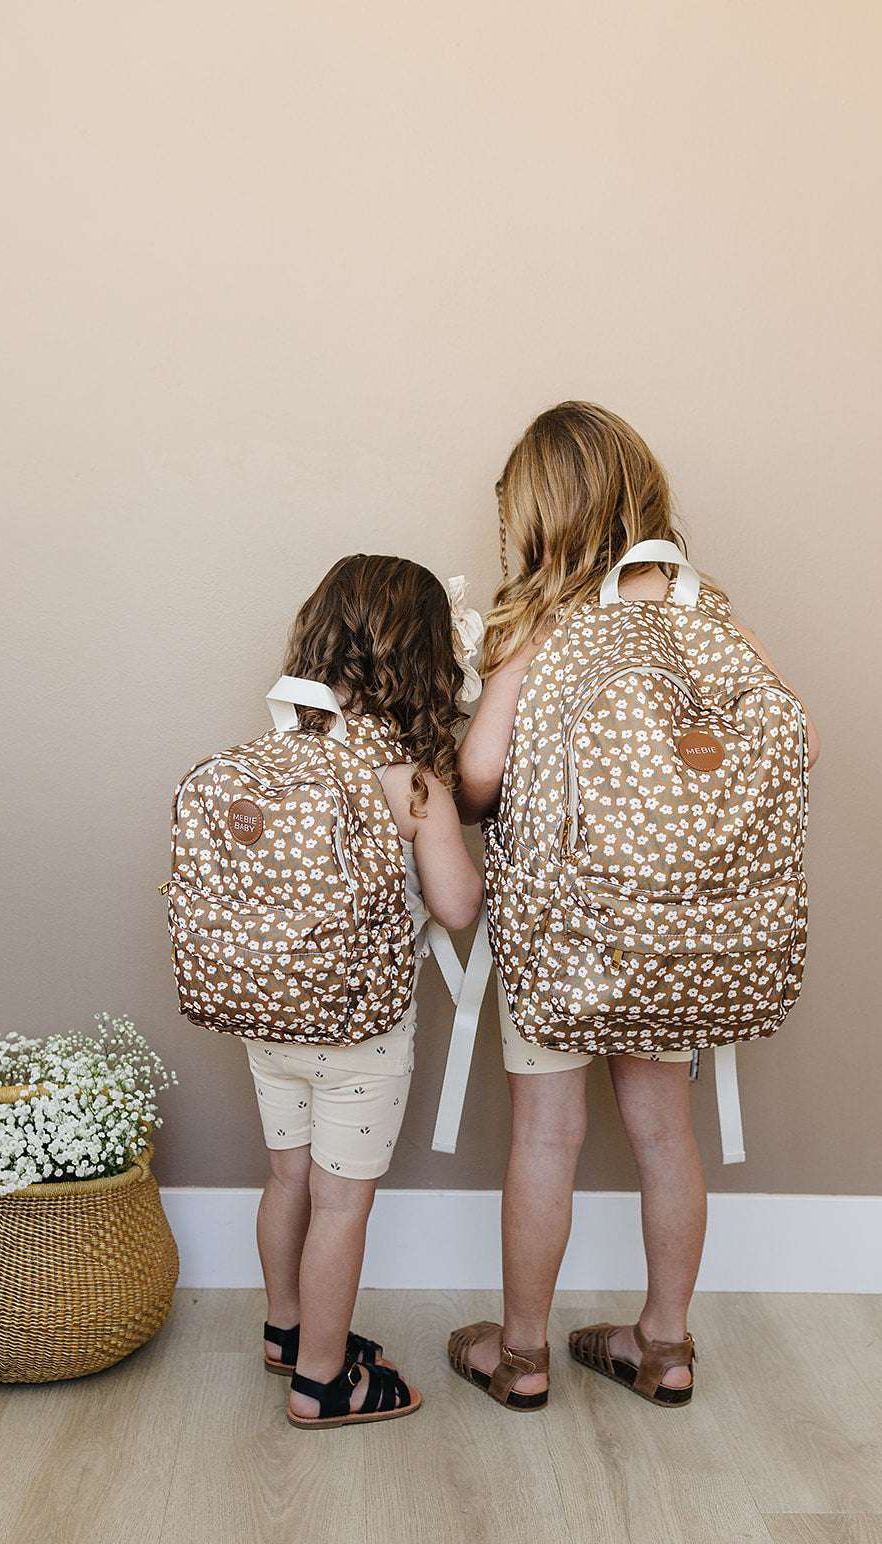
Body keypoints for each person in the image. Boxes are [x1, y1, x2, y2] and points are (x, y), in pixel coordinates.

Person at [447, 402, 820, 1409]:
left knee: (543, 1135)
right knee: (664, 1133)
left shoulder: (546, 625)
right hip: (687, 939)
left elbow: (477, 779)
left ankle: (519, 1353)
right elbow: (798, 743)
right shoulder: (707, 620)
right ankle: (662, 1344)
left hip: (566, 938)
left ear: (541, 519)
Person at [246, 554, 484, 1428]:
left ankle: (285, 1333)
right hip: (359, 1030)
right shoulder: (405, 773)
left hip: (265, 1011)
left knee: (285, 1180)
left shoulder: (278, 749)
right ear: (424, 657)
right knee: (342, 1202)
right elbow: (456, 904)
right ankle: (321, 1382)